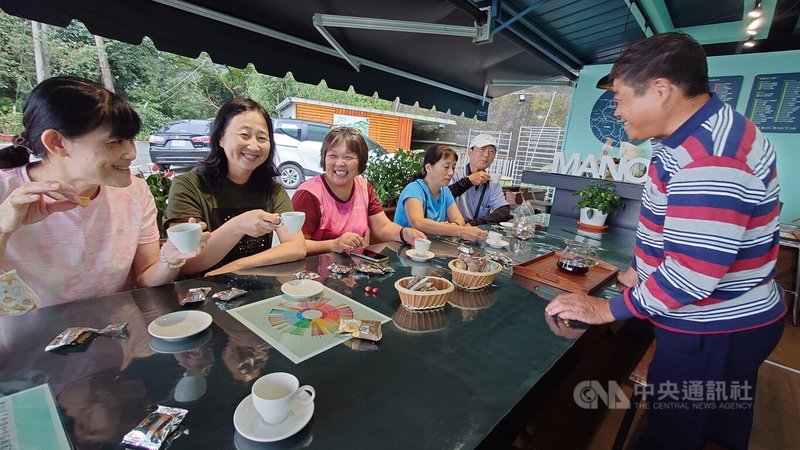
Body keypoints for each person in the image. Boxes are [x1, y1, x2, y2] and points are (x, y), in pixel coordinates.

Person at [545, 32, 785, 450]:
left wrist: (605, 308)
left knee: (675, 435)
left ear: (661, 90)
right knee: (713, 426)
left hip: (714, 327)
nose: (615, 110)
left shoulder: (710, 157)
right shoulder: (694, 133)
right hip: (730, 319)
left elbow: (692, 277)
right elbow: (682, 228)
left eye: (619, 98)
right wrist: (643, 270)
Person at [0, 76, 205, 307]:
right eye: (115, 142)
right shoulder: (7, 192)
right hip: (30, 343)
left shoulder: (134, 192)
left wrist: (171, 258)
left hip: (119, 336)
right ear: (57, 142)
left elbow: (145, 278)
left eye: (131, 140)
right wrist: (3, 229)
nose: (131, 153)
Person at [165, 98, 306, 276]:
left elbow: (296, 247)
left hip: (256, 288)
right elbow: (185, 263)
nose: (254, 146)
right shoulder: (189, 185)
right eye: (244, 135)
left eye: (262, 138)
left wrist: (237, 266)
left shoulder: (272, 189)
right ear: (220, 138)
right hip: (202, 292)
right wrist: (238, 226)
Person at [291, 127, 426, 255]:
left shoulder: (363, 186)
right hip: (315, 274)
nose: (340, 163)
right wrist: (334, 244)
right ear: (324, 158)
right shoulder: (309, 194)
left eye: (348, 157)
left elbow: (382, 226)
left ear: (361, 162)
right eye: (333, 155)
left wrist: (405, 233)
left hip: (353, 270)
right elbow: (293, 245)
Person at [393, 144, 487, 242]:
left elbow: (459, 220)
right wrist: (456, 230)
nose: (451, 172)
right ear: (428, 167)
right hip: (405, 248)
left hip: (430, 246)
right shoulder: (414, 189)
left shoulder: (444, 190)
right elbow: (418, 223)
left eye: (453, 168)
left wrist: (448, 227)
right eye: (446, 167)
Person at [448, 134, 510, 225]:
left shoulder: (492, 182)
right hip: (450, 227)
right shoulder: (454, 173)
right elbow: (442, 196)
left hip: (474, 230)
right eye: (482, 149)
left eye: (491, 151)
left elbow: (504, 211)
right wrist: (469, 181)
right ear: (470, 152)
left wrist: (475, 224)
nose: (486, 155)